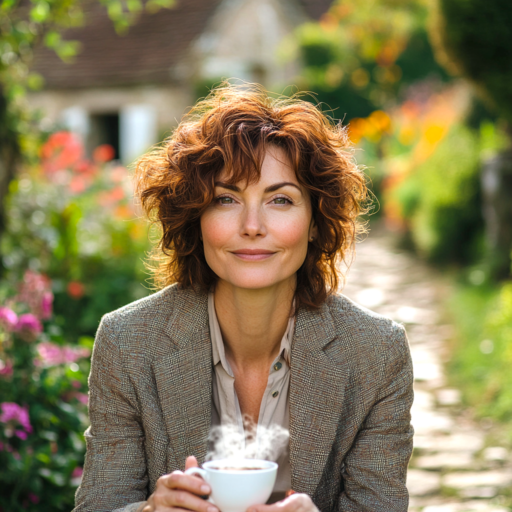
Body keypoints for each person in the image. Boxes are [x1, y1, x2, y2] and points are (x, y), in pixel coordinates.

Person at [74, 83, 414, 512]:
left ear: (315, 221)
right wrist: (148, 511)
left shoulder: (376, 353)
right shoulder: (127, 342)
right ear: (195, 215)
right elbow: (100, 504)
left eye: (281, 200)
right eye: (226, 199)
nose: (252, 225)